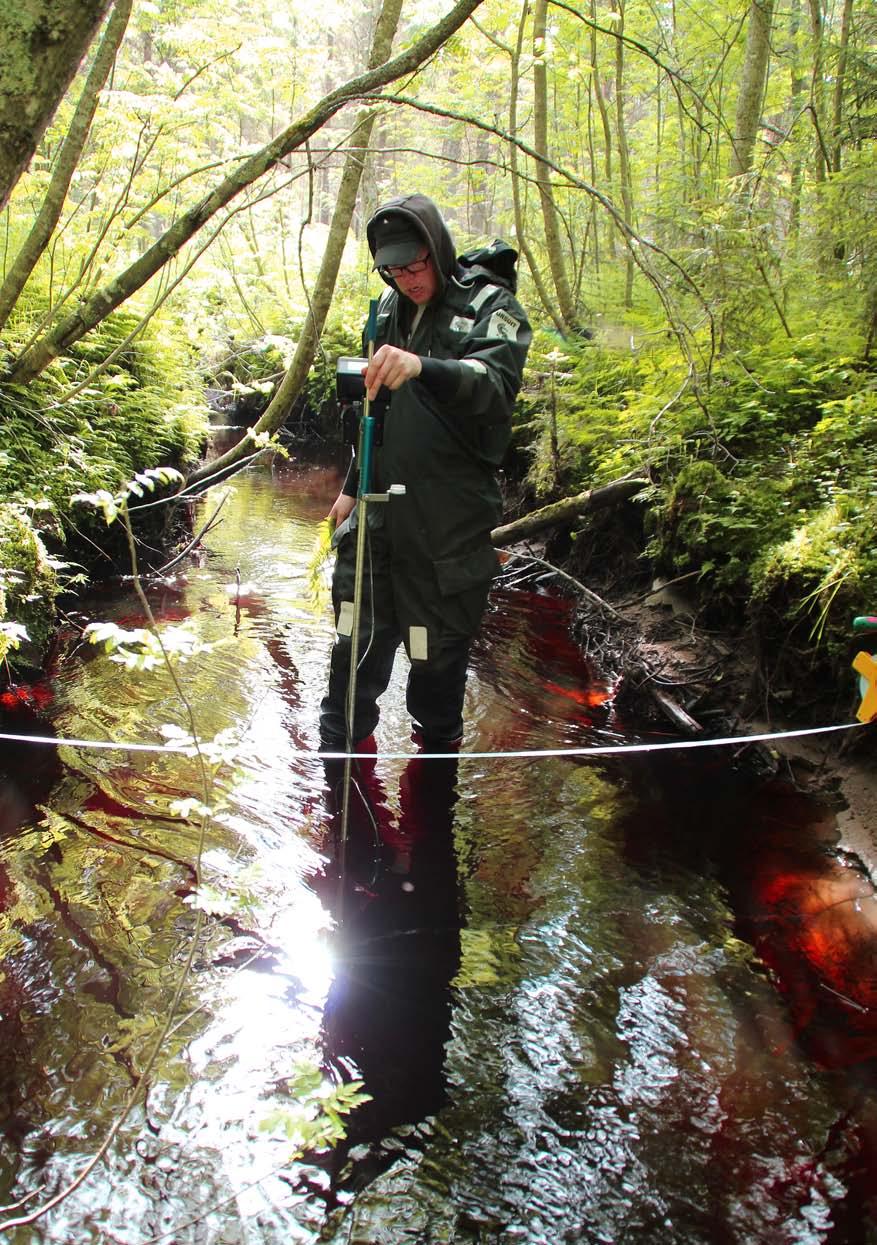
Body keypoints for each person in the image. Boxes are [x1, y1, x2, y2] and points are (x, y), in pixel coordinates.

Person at [319, 193, 532, 753]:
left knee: (433, 660)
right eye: (394, 270)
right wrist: (349, 487)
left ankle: (430, 794)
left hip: (445, 527)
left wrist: (421, 367)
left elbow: (492, 387)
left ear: (437, 250)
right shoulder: (386, 310)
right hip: (376, 518)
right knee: (352, 649)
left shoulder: (492, 306)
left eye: (416, 266)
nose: (408, 280)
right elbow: (372, 413)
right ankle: (339, 786)